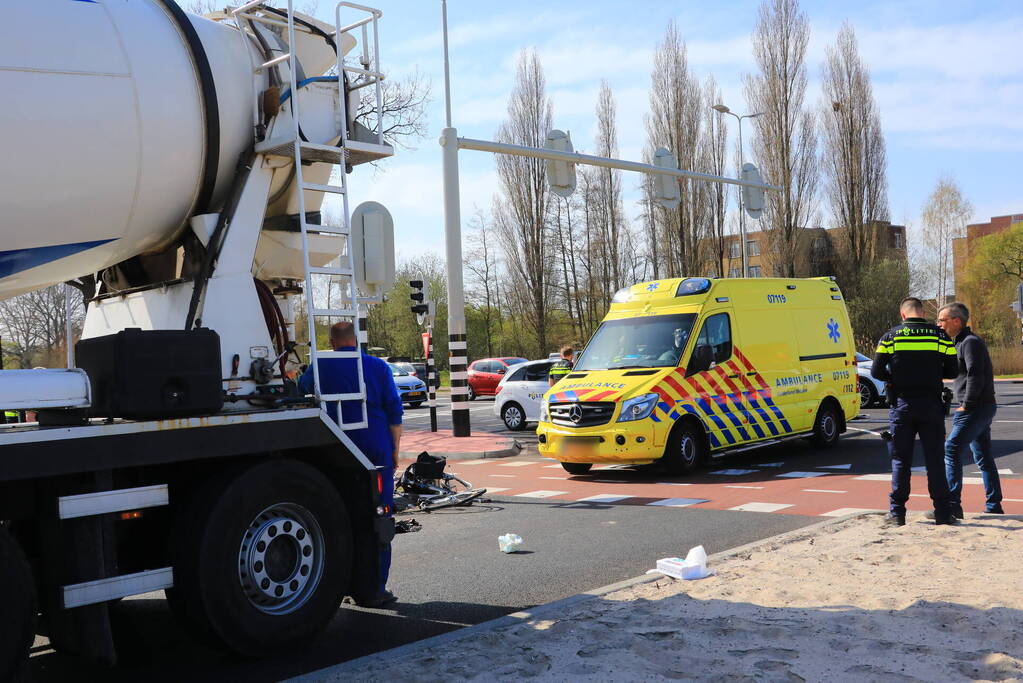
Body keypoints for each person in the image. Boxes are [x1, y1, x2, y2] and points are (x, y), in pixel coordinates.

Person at [298, 321, 402, 606]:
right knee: (379, 518)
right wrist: (394, 450)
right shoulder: (378, 367)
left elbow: (300, 393)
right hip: (375, 450)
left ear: (332, 343)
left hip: (336, 452)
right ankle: (373, 589)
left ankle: (342, 583)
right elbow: (395, 411)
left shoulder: (320, 365)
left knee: (339, 517)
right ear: (356, 341)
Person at [872, 297, 960, 526]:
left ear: (903, 315)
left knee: (901, 460)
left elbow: (877, 371)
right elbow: (953, 370)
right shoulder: (940, 336)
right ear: (922, 313)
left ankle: (897, 513)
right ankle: (942, 513)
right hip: (931, 406)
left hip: (902, 405)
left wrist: (896, 377)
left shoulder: (890, 337)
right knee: (935, 461)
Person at [936, 302, 1004, 516]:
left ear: (956, 321)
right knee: (983, 456)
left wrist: (967, 405)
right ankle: (994, 506)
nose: (938, 325)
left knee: (951, 448)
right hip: (980, 407)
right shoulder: (959, 342)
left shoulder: (969, 342)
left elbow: (976, 374)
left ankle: (952, 505)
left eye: (942, 320)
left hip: (975, 408)